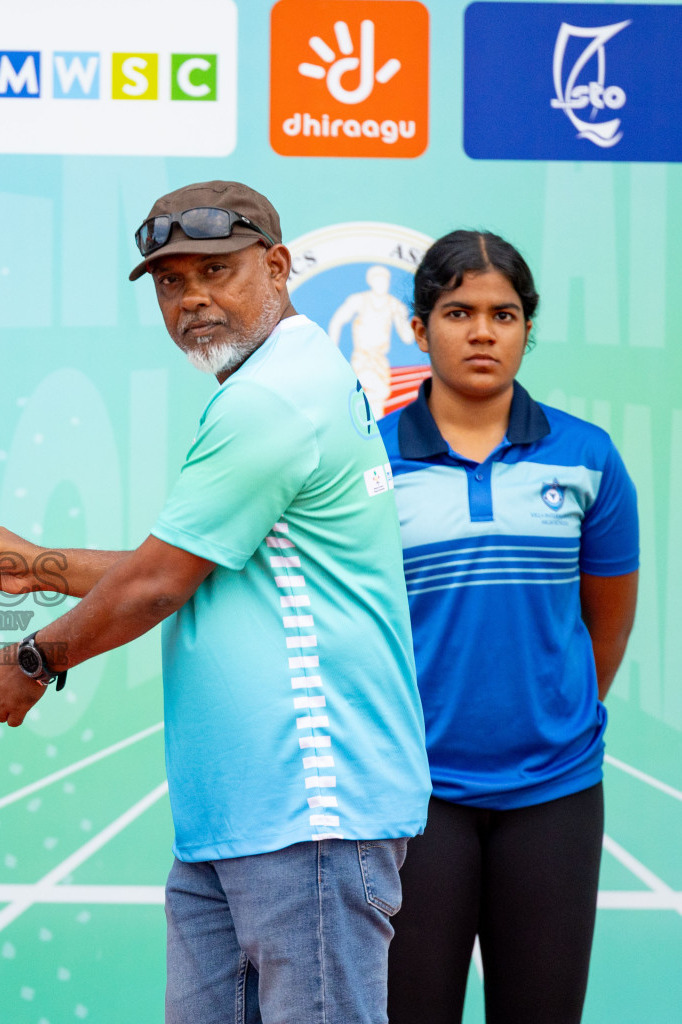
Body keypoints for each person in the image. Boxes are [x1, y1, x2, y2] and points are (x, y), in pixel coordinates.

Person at [0, 181, 431, 1024]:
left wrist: (33, 659)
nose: (193, 299)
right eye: (172, 283)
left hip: (308, 813)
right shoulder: (293, 373)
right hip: (240, 815)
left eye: (217, 270)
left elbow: (157, 583)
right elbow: (201, 564)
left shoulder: (270, 399)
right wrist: (41, 564)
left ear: (278, 267)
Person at [380, 231, 639, 1024]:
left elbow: (608, 625)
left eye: (505, 313)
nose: (483, 331)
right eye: (458, 312)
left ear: (528, 327)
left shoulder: (588, 457)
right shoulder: (367, 460)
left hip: (555, 792)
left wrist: (548, 717)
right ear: (419, 329)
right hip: (413, 794)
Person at [328, 264, 413, 418]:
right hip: (362, 358)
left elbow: (408, 339)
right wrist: (332, 349)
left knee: (378, 399)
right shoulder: (359, 300)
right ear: (371, 282)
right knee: (374, 392)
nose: (382, 284)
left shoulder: (394, 305)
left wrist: (403, 317)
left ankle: (375, 434)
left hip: (380, 361)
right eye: (378, 280)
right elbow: (337, 321)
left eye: (384, 281)